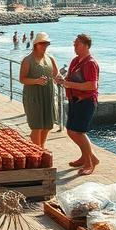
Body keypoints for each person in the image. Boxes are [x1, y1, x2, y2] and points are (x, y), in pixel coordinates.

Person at [56, 33, 100, 175]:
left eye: (77, 44)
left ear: (86, 45)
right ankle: (88, 157)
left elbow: (92, 86)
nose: (74, 46)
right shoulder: (75, 61)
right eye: (74, 44)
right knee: (71, 131)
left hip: (86, 101)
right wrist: (62, 80)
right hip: (74, 100)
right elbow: (70, 79)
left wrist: (68, 84)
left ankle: (89, 163)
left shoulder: (90, 63)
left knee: (78, 132)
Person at [20, 32, 58, 147]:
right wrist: (36, 81)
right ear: (36, 44)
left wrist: (61, 79)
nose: (44, 46)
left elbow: (56, 74)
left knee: (47, 126)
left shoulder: (50, 58)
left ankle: (41, 147)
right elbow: (22, 79)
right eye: (42, 43)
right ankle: (38, 151)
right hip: (33, 97)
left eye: (46, 44)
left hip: (48, 95)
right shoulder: (27, 60)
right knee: (37, 126)